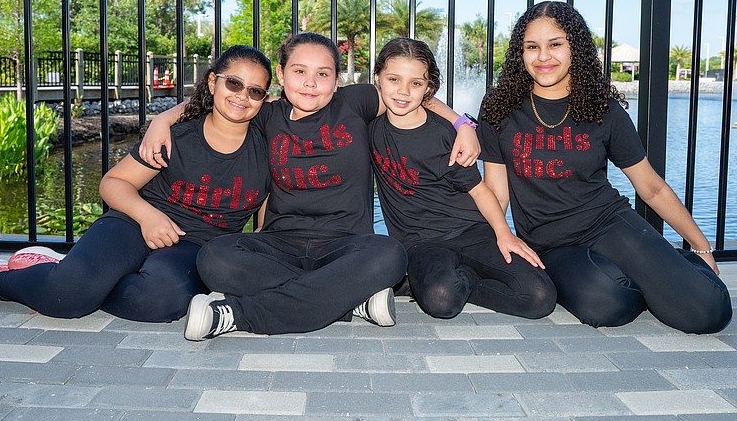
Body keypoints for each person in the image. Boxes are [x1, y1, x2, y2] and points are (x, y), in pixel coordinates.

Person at [140, 32, 481, 340]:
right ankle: (350, 302)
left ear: (336, 81)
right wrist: (165, 117)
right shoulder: (266, 114)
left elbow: (412, 93)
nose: (310, 83)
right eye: (300, 71)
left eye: (323, 74)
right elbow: (216, 100)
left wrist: (462, 123)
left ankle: (236, 316)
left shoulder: (356, 102)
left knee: (390, 255)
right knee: (215, 257)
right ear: (282, 74)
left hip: (346, 246)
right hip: (280, 244)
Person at [0, 46, 273, 324]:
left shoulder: (270, 141)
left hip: (196, 246)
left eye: (255, 90)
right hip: (135, 222)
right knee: (67, 299)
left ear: (265, 98)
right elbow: (113, 183)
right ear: (213, 82)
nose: (242, 96)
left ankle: (69, 275)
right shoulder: (177, 136)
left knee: (159, 302)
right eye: (234, 83)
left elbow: (267, 208)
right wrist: (148, 217)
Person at [477, 1, 732, 333]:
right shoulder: (499, 109)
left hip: (608, 222)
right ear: (519, 53)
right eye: (532, 47)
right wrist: (500, 236)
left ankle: (675, 267)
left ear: (576, 48)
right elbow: (497, 193)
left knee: (708, 312)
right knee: (607, 306)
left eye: (555, 44)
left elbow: (650, 187)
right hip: (550, 244)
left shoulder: (603, 109)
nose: (543, 57)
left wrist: (699, 245)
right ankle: (652, 278)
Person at [369, 37, 556, 319]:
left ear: (428, 88)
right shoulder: (368, 126)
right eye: (393, 79)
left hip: (472, 231)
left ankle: (449, 279)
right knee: (441, 301)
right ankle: (439, 281)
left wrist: (504, 234)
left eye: (415, 84)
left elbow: (479, 190)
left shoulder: (445, 134)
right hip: (421, 242)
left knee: (540, 297)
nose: (403, 91)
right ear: (378, 79)